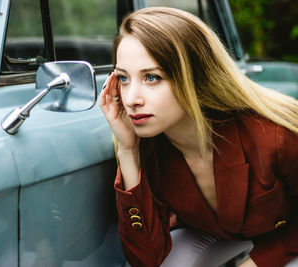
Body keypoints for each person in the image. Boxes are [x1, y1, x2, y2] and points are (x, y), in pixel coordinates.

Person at [99, 7, 298, 267]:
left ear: (194, 76)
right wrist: (127, 151)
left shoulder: (272, 136)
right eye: (124, 78)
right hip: (218, 234)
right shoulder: (149, 145)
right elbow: (145, 258)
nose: (132, 99)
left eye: (152, 77)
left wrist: (258, 263)